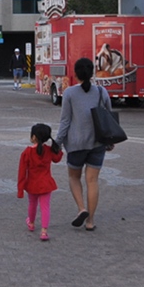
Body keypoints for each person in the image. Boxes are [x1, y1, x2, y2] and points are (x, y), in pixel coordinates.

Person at [56, 57, 108, 232]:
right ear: (92, 73)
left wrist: (58, 142)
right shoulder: (101, 91)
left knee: (74, 177)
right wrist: (109, 141)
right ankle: (90, 221)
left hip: (76, 144)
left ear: (75, 74)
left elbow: (65, 121)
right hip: (97, 143)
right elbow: (108, 117)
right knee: (92, 181)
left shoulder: (69, 93)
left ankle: (81, 208)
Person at [17, 123, 63, 241]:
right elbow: (57, 158)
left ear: (33, 137)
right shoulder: (48, 150)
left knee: (32, 204)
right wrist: (59, 149)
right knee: (45, 207)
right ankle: (44, 231)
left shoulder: (27, 152)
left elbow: (22, 172)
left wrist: (20, 190)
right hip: (46, 183)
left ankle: (31, 223)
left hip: (32, 184)